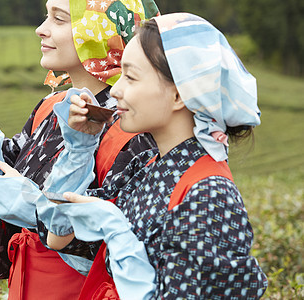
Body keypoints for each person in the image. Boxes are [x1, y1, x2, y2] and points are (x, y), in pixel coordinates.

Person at [16, 13, 268, 299]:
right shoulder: (148, 167)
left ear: (179, 96)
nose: (118, 89)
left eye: (131, 77)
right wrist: (80, 147)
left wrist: (119, 235)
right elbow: (58, 232)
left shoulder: (208, 194)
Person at [0, 0, 160, 299]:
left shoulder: (134, 126)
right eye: (46, 17)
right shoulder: (50, 106)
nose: (41, 30)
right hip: (27, 284)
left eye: (58, 19)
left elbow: (128, 241)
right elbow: (5, 179)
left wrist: (37, 210)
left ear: (99, 30)